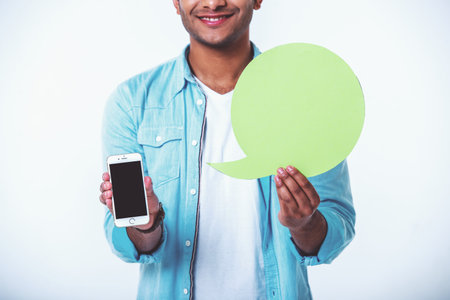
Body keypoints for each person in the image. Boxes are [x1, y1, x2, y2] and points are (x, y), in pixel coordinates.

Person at [98, 0, 355, 299]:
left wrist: (305, 224)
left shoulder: (305, 98)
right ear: (175, 2)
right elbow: (125, 244)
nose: (213, 2)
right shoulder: (132, 102)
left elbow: (338, 227)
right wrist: (145, 224)